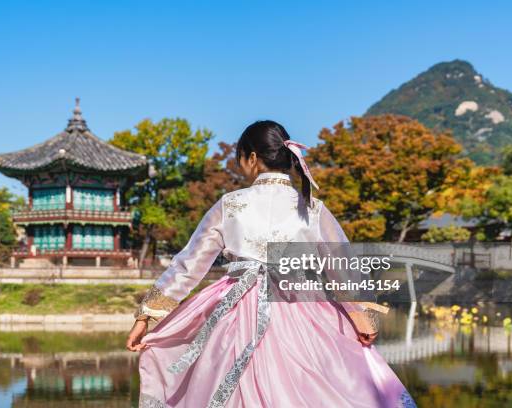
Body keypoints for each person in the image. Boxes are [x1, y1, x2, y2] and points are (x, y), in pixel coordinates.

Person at [126, 120, 416, 407]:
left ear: (252, 158)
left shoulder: (230, 204)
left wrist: (147, 315)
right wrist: (362, 316)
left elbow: (189, 264)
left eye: (240, 157)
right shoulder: (311, 208)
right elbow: (342, 266)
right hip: (302, 308)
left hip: (235, 311)